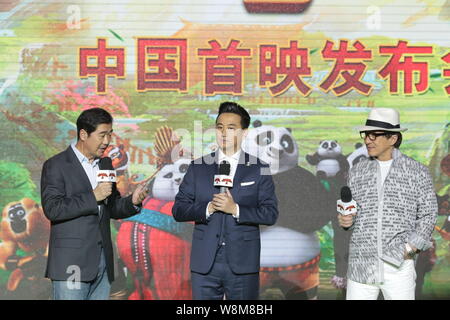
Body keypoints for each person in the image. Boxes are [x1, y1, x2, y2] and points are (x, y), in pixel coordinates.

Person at [172, 101, 278, 300]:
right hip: (205, 263)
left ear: (244, 133)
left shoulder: (259, 167)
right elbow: (179, 209)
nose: (224, 133)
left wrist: (235, 209)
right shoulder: (199, 166)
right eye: (220, 127)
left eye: (231, 128)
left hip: (242, 262)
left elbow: (270, 213)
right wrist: (208, 208)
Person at [40, 107, 149, 300]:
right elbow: (53, 209)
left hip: (102, 262)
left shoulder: (104, 165)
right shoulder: (56, 165)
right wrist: (93, 196)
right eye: (102, 135)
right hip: (71, 263)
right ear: (83, 134)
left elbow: (112, 207)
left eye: (110, 134)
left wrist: (132, 201)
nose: (107, 141)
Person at [338, 108, 437, 300]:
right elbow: (352, 215)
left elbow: (428, 214)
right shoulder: (356, 172)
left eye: (374, 135)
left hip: (398, 264)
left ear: (393, 139)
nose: (368, 140)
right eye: (366, 134)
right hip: (361, 264)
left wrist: (410, 248)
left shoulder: (416, 171)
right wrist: (346, 220)